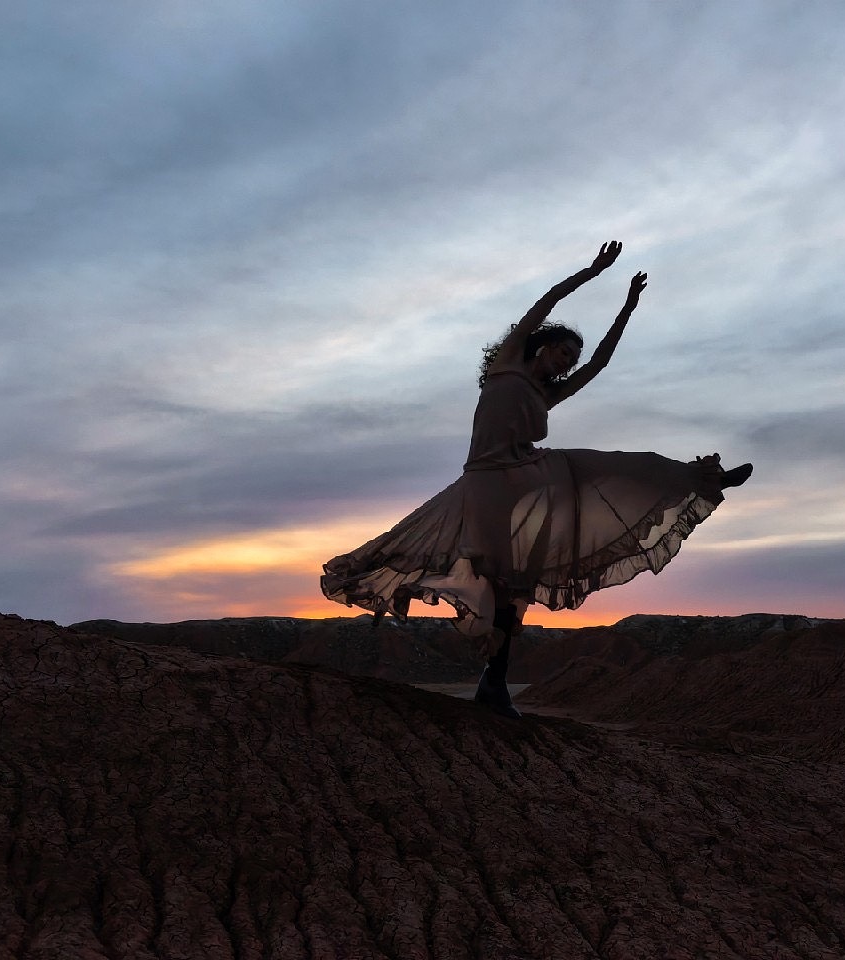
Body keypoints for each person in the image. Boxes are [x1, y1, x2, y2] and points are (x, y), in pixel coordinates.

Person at [320, 241, 751, 718]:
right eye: (561, 352)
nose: (564, 362)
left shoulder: (548, 396)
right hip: (485, 484)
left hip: (530, 473)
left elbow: (600, 363)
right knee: (502, 585)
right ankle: (492, 682)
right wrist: (592, 272)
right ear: (541, 346)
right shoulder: (507, 365)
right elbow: (544, 304)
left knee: (620, 465)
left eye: (569, 360)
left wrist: (627, 308)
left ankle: (701, 480)